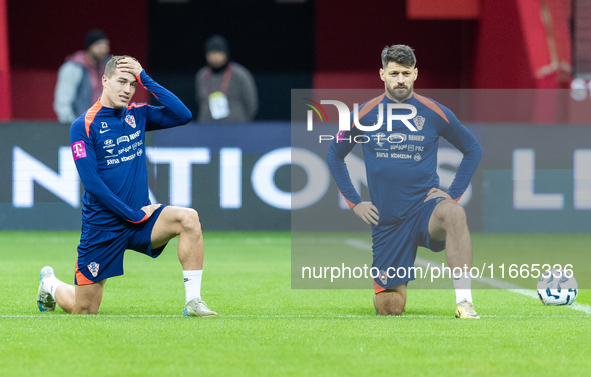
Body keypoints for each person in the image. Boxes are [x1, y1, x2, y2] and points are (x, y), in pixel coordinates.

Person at [37, 55, 217, 317]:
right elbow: (92, 185)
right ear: (105, 81)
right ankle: (50, 284)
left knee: (188, 219)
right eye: (121, 82)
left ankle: (193, 302)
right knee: (84, 311)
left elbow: (183, 114)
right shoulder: (83, 125)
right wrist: (133, 215)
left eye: (132, 85)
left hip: (140, 219)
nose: (127, 90)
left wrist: (145, 77)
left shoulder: (138, 114)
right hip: (104, 225)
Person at [326, 45, 483, 318]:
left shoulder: (435, 112)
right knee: (390, 309)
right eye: (394, 73)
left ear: (415, 74)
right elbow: (334, 154)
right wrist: (355, 202)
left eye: (406, 73)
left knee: (454, 213)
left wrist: (453, 194)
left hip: (425, 210)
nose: (400, 79)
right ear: (382, 74)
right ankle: (394, 282)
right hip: (387, 221)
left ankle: (465, 302)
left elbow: (473, 150)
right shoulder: (364, 114)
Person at [195, 35, 258, 123]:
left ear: (226, 54)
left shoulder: (240, 74)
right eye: (212, 53)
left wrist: (244, 124)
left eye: (219, 53)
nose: (215, 57)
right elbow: (199, 101)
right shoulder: (202, 75)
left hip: (235, 127)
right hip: (207, 127)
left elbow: (251, 103)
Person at [54, 29, 111, 124]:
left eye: (106, 45)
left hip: (100, 128)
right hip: (80, 127)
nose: (104, 49)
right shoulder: (73, 68)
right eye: (99, 45)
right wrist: (72, 127)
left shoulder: (106, 68)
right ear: (90, 46)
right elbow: (63, 102)